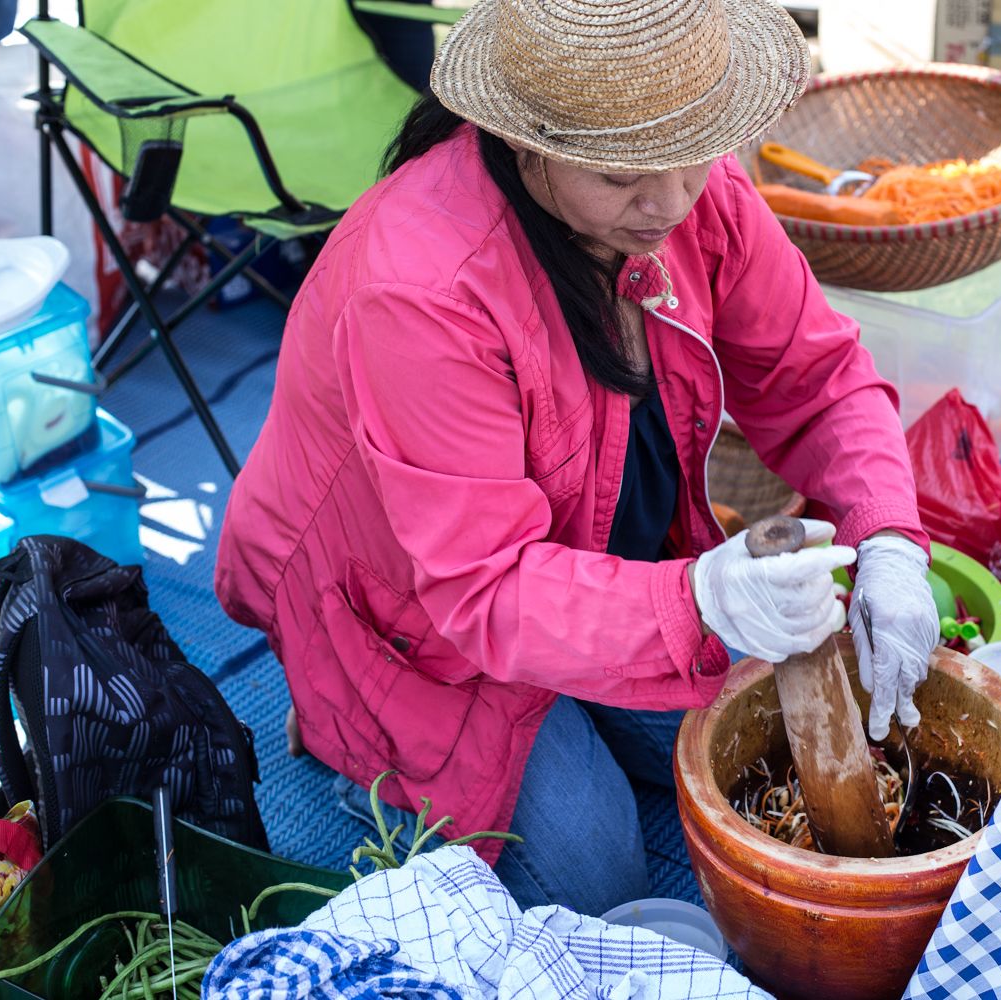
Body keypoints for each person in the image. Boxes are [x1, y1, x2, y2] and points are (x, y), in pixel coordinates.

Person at [215, 0, 939, 915]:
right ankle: (342, 735)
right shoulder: (417, 288)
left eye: (693, 153)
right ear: (525, 144)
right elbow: (482, 588)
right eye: (620, 176)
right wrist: (700, 602)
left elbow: (818, 377)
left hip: (586, 565)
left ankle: (594, 688)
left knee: (760, 751)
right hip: (409, 622)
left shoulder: (692, 194)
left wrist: (889, 543)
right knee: (594, 876)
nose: (671, 202)